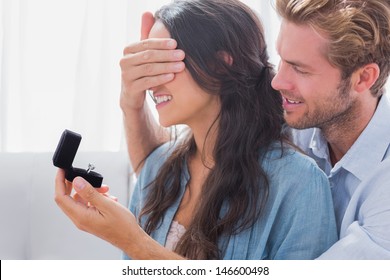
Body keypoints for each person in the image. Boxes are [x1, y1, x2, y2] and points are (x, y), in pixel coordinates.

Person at [55, 0, 337, 260]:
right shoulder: (157, 168)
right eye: (146, 65)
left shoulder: (298, 184)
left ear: (221, 63)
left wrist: (134, 242)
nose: (151, 82)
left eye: (163, 63)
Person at [118, 0, 390, 259]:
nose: (277, 81)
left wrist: (132, 241)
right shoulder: (295, 119)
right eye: (282, 59)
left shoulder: (313, 178)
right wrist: (132, 104)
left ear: (363, 78)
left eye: (300, 69)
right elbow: (158, 170)